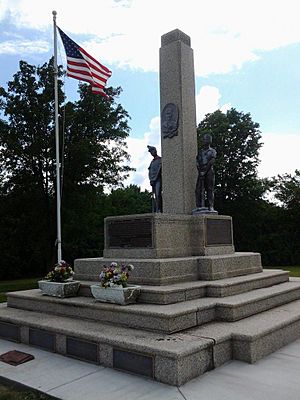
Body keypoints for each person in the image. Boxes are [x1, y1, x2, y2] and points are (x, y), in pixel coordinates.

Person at [195, 134, 216, 211]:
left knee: (209, 189)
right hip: (201, 171)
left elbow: (211, 162)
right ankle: (199, 206)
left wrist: (205, 171)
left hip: (209, 171)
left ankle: (211, 206)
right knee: (198, 189)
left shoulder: (212, 151)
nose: (203, 141)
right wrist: (200, 171)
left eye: (205, 139)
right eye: (203, 139)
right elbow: (197, 161)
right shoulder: (200, 152)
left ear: (209, 141)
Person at [147, 145, 162, 213]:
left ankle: (159, 209)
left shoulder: (160, 159)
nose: (152, 153)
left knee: (158, 195)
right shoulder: (152, 162)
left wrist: (155, 178)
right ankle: (157, 209)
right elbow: (150, 171)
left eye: (152, 151)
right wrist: (151, 180)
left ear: (155, 151)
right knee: (155, 195)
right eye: (150, 152)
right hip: (153, 181)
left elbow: (159, 169)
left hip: (158, 180)